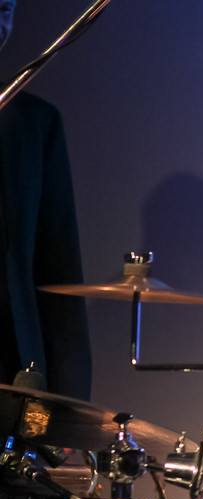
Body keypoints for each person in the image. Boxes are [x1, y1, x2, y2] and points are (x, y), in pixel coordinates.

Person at [0, 0, 91, 399]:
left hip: (12, 365)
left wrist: (70, 397)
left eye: (5, 8)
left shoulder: (34, 123)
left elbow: (57, 262)